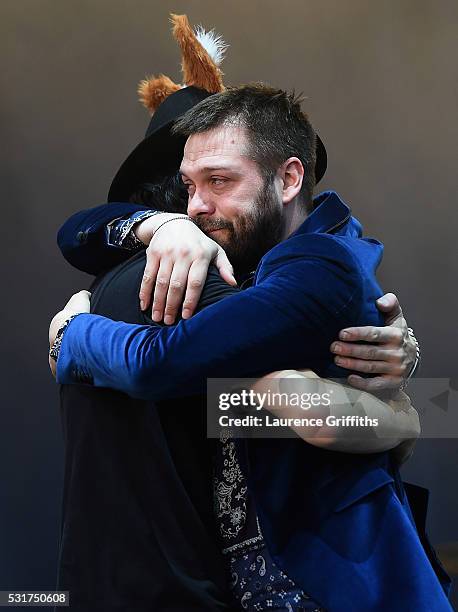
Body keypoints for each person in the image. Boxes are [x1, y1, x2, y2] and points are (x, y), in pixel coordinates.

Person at [49, 83, 451, 610]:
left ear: (288, 178)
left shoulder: (317, 263)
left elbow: (166, 367)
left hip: (337, 580)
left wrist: (71, 334)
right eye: (187, 186)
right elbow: (76, 232)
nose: (196, 207)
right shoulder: (241, 265)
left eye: (219, 180)